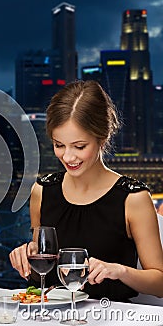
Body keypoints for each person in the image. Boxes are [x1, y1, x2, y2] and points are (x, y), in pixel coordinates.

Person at [9, 80, 163, 301]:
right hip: (49, 317)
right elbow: (42, 269)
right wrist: (26, 254)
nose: (68, 157)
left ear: (103, 138)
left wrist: (120, 271)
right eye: (59, 145)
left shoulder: (133, 198)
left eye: (79, 146)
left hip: (109, 317)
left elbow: (160, 283)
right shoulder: (42, 191)